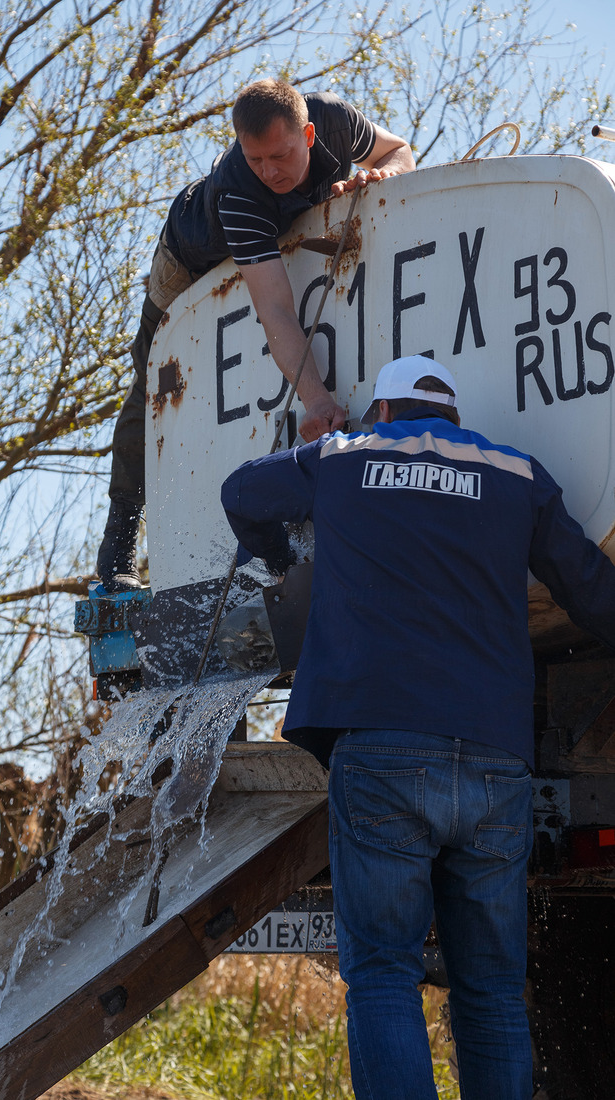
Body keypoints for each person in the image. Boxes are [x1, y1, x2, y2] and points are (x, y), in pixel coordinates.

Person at [220, 354, 615, 1100]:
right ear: (453, 416)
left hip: (384, 749)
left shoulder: (343, 456)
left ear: (384, 412)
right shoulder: (516, 473)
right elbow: (591, 589)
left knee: (382, 976)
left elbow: (241, 491)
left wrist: (278, 562)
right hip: (497, 758)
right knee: (491, 993)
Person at [97, 78, 414, 589]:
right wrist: (316, 400)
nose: (269, 172)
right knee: (150, 383)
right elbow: (275, 310)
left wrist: (381, 174)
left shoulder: (335, 119)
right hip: (189, 258)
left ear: (309, 134)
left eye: (280, 156)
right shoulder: (240, 190)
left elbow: (400, 151)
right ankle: (117, 546)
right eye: (256, 159)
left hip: (271, 238)